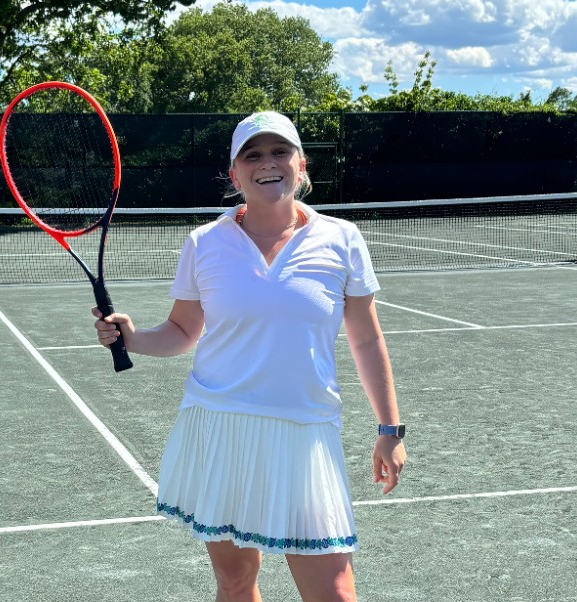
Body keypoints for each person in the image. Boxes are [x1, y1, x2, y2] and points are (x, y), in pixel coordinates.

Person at [92, 111, 405, 601]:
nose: (268, 164)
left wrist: (389, 429)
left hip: (306, 434)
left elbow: (367, 339)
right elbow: (182, 331)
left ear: (301, 165)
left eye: (280, 152)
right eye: (253, 155)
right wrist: (131, 337)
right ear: (235, 174)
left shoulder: (342, 239)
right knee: (236, 582)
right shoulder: (205, 243)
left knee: (336, 591)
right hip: (222, 429)